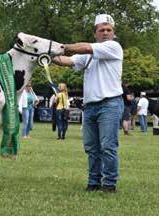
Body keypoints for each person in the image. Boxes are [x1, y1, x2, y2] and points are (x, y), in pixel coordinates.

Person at [53, 14, 124, 193]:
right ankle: (93, 183)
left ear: (113, 33)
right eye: (102, 30)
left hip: (110, 104)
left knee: (107, 147)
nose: (106, 32)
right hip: (90, 106)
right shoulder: (90, 56)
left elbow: (83, 48)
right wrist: (46, 54)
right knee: (92, 148)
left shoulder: (113, 47)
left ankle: (109, 185)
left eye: (109, 30)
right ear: (96, 33)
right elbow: (66, 61)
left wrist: (62, 47)